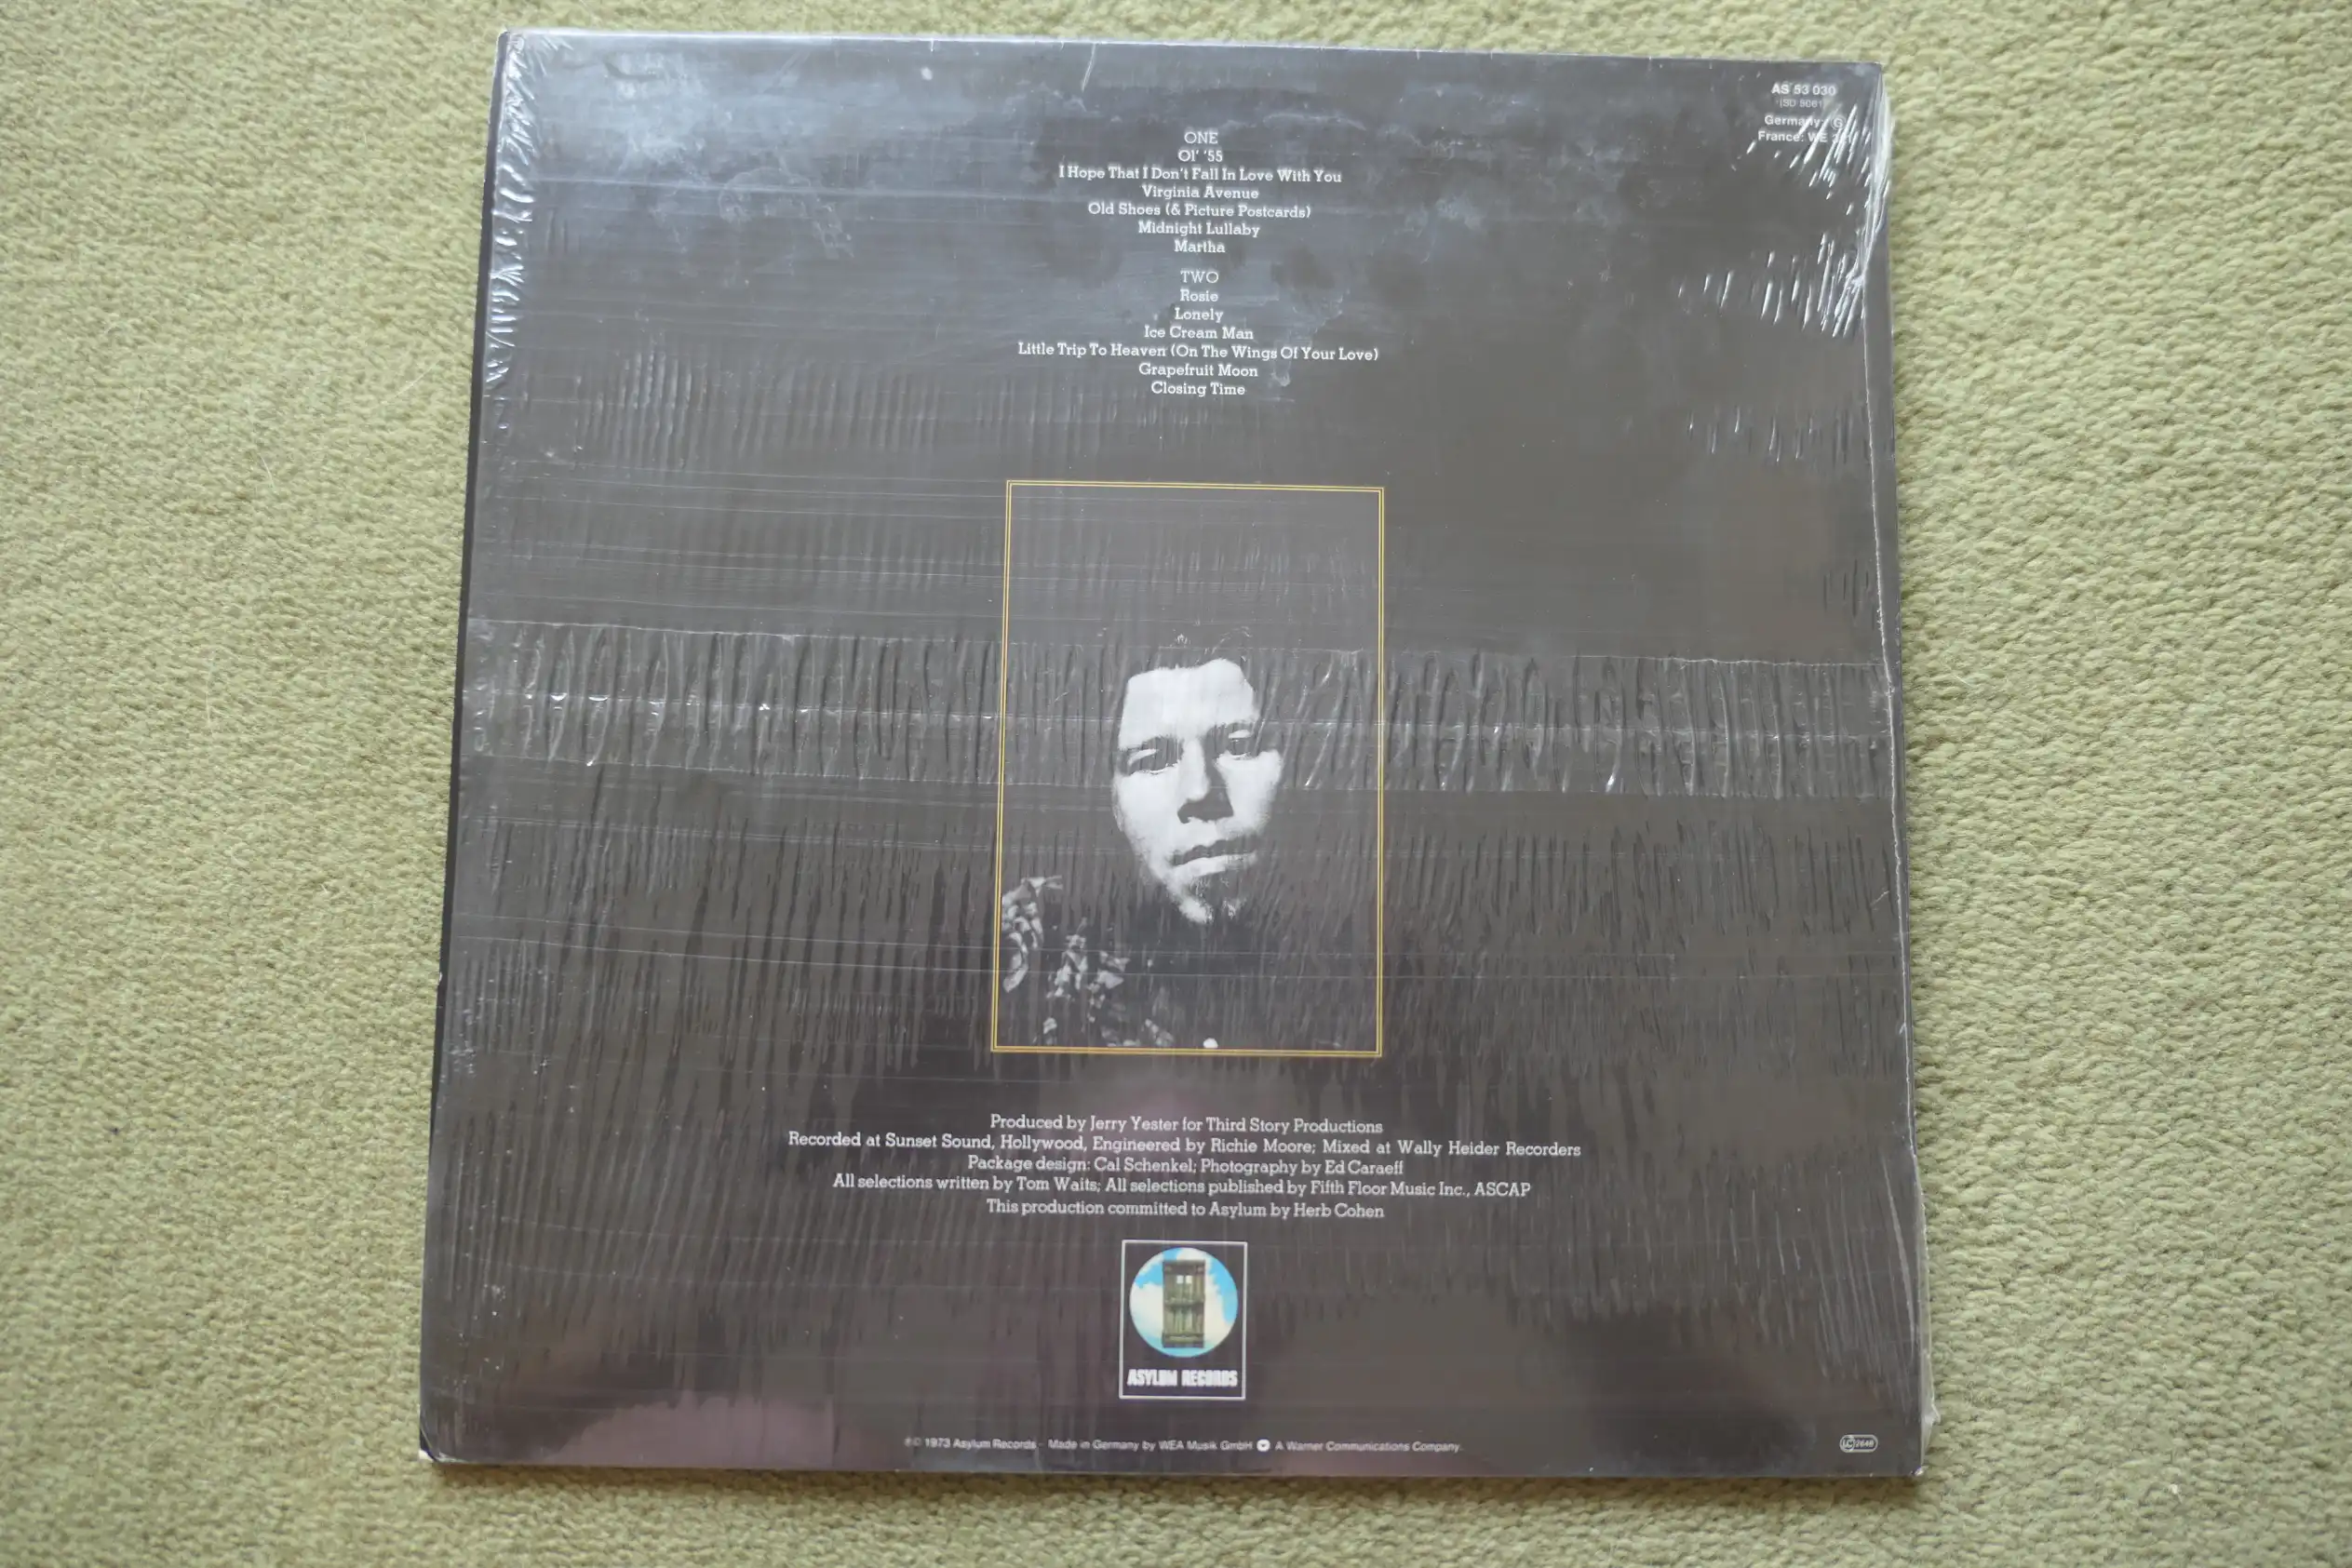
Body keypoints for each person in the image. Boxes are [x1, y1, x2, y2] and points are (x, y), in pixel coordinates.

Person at [1001, 648, 1299, 1051]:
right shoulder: (1029, 946)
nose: (1200, 790)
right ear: (1110, 799)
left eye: (1239, 745)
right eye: (1153, 759)